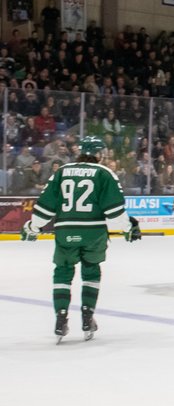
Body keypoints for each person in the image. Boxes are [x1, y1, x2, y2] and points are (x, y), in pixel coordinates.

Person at [20, 136, 140, 340]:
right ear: (99, 154)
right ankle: (87, 317)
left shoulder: (62, 172)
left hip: (65, 231)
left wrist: (33, 226)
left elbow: (46, 204)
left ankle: (61, 317)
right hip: (93, 233)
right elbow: (114, 210)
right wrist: (128, 228)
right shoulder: (104, 173)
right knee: (91, 272)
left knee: (63, 272)